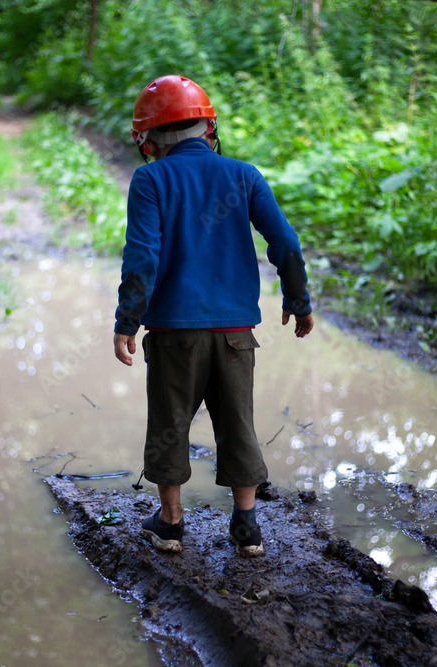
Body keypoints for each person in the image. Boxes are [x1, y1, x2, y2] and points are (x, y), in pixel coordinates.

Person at [113, 74, 314, 557]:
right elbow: (285, 242)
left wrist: (127, 320)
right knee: (237, 422)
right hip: (234, 334)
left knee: (170, 422)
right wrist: (297, 299)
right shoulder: (244, 176)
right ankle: (246, 527)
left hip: (173, 334)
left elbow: (143, 256)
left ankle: (170, 523)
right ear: (207, 128)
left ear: (151, 138)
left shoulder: (150, 179)